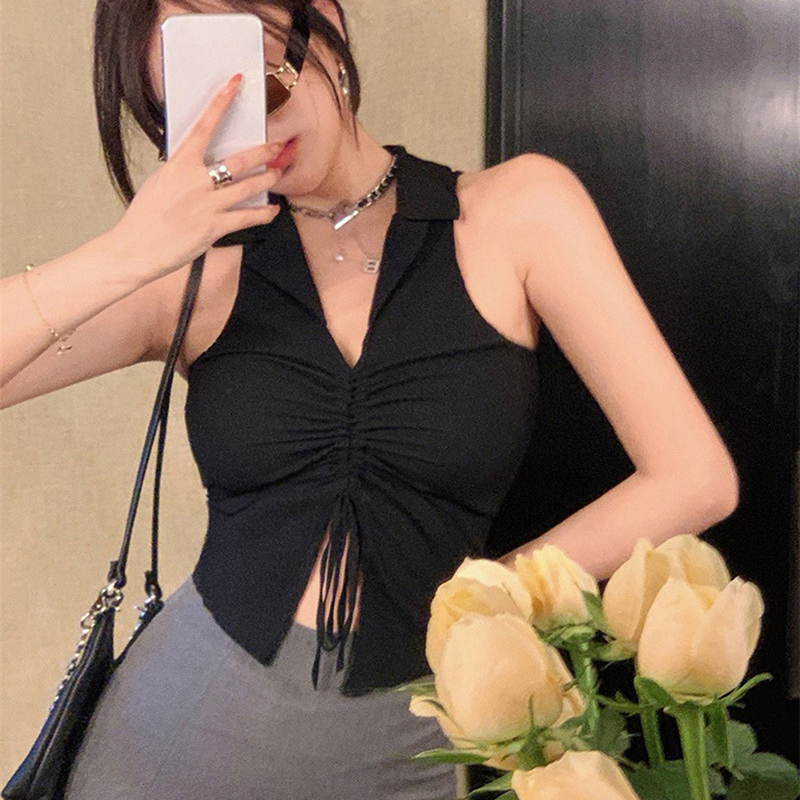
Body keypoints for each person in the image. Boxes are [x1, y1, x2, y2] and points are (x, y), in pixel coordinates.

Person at [1, 0, 740, 797]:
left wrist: (489, 607)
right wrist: (122, 254)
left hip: (415, 746)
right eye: (193, 111)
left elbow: (695, 477)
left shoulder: (517, 213)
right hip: (177, 741)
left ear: (324, 25)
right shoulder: (195, 274)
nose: (250, 135)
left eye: (259, 89)